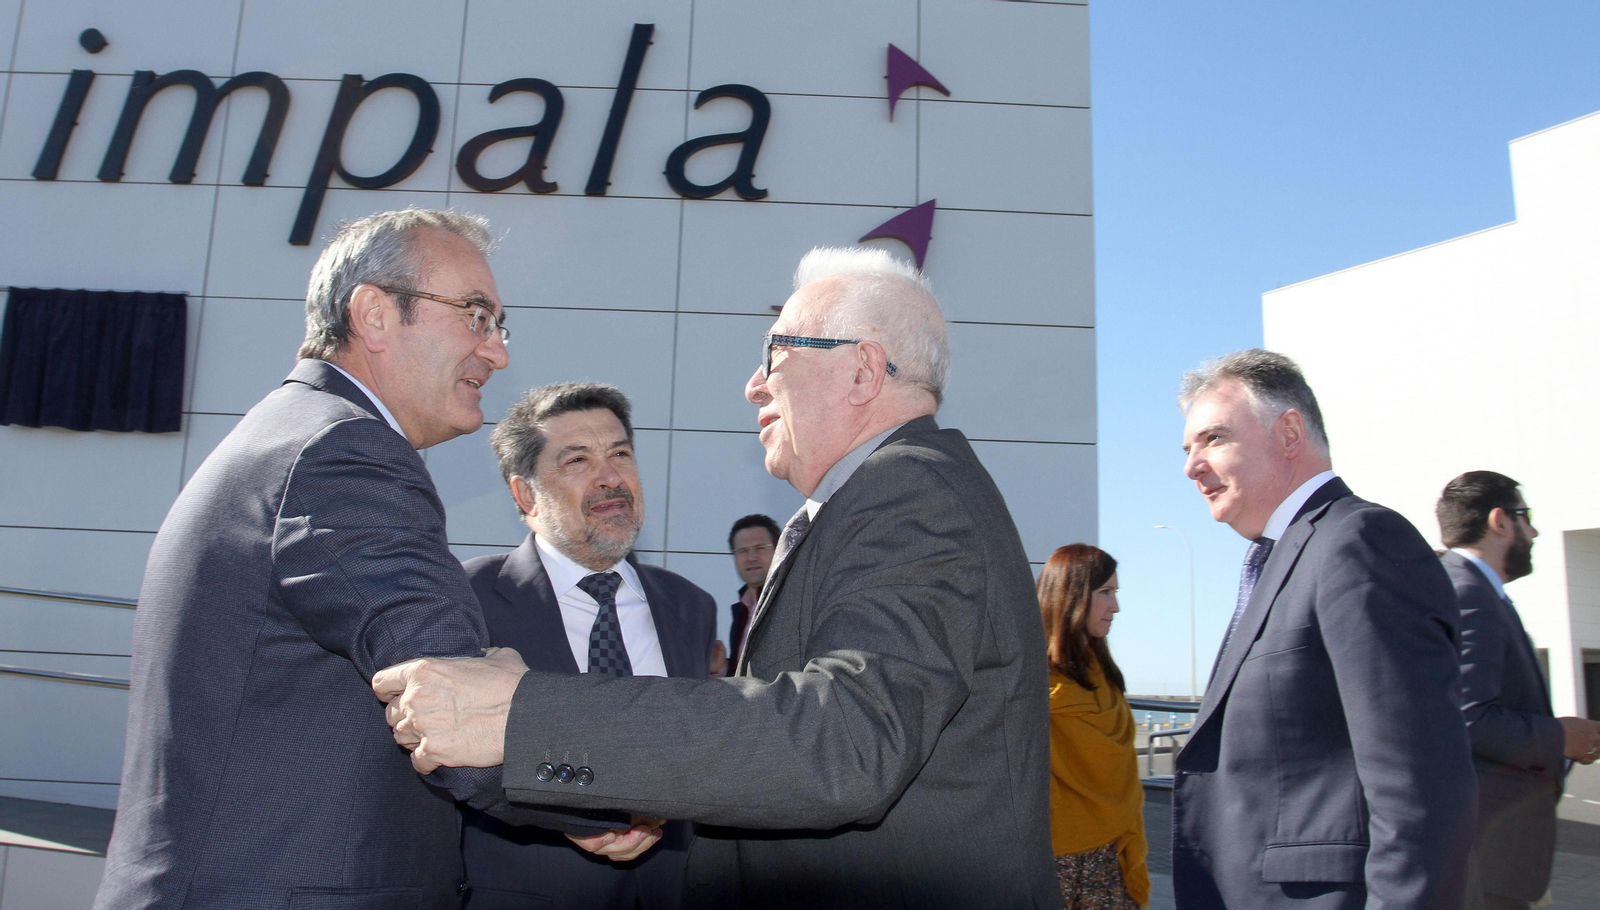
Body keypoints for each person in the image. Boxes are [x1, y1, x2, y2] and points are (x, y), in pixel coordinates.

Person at [375, 246, 1059, 909]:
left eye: (776, 353)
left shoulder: (911, 491)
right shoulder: (881, 498)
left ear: (862, 372)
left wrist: (523, 718)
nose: (754, 384)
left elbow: (843, 739)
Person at [94, 209, 527, 908]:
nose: (497, 352)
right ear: (374, 314)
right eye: (476, 315)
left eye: (499, 325)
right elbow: (456, 702)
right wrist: (611, 783)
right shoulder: (342, 454)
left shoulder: (292, 435)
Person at [1172, 349, 1476, 910]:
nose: (1191, 466)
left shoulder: (1360, 542)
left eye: (1213, 439)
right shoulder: (1284, 560)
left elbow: (1420, 791)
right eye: (1188, 449)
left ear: (1289, 433)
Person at [459, 382, 717, 910]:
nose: (610, 478)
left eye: (620, 453)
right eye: (577, 460)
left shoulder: (690, 607)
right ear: (525, 494)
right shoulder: (470, 601)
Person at [1436, 471, 1600, 910]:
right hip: (1490, 860)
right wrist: (1561, 736)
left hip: (1497, 858)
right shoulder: (1467, 593)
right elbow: (1467, 718)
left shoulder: (1475, 591)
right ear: (1500, 521)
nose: (1535, 531)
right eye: (1526, 518)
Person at [1038, 544, 1149, 910]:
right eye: (1104, 593)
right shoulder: (1031, 684)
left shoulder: (1105, 677)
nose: (1115, 607)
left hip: (1110, 855)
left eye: (1115, 593)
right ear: (1070, 596)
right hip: (1052, 859)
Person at [725, 513, 780, 670]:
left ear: (778, 551)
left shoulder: (795, 604)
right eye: (742, 551)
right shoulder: (741, 611)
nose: (751, 557)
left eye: (760, 548)